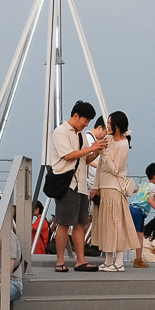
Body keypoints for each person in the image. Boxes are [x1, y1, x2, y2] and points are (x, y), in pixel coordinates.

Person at [49, 100, 106, 272]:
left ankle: (80, 260)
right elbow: (67, 155)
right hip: (67, 184)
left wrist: (97, 150)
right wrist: (92, 148)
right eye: (85, 120)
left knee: (80, 224)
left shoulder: (81, 135)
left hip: (81, 185)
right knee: (64, 223)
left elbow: (85, 159)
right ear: (75, 115)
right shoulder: (61, 132)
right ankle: (60, 261)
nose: (86, 124)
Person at [90, 111, 140, 272]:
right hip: (104, 188)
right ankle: (108, 261)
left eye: (110, 123)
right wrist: (96, 187)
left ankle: (119, 262)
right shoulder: (108, 139)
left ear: (117, 125)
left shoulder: (123, 144)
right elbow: (101, 167)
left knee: (115, 225)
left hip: (114, 189)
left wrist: (103, 152)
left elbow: (115, 169)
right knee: (106, 225)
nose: (108, 126)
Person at [130, 163, 155, 269]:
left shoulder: (143, 184)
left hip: (131, 207)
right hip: (139, 211)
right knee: (140, 236)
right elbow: (151, 200)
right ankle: (138, 260)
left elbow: (132, 190)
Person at [83, 116, 108, 196]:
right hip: (89, 182)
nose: (106, 135)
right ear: (100, 128)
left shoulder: (94, 140)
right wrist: (105, 167)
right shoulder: (88, 138)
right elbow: (88, 159)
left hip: (93, 182)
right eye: (106, 132)